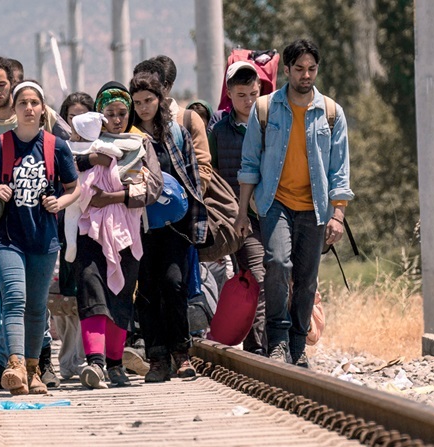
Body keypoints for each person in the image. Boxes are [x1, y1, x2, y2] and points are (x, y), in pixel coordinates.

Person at [236, 39, 353, 367]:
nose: (306, 75)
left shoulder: (331, 113)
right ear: (286, 70)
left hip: (315, 207)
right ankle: (278, 339)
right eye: (299, 69)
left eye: (311, 69)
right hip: (275, 203)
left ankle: (299, 345)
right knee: (278, 263)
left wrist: (338, 215)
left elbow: (339, 168)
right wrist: (243, 212)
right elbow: (249, 165)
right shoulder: (265, 108)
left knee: (306, 277)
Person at [0, 80, 80, 395]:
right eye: (23, 103)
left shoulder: (56, 146)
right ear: (14, 109)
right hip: (7, 239)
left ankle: (32, 369)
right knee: (14, 299)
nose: (29, 108)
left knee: (38, 307)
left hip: (44, 238)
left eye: (34, 103)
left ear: (43, 109)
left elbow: (73, 187)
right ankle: (14, 365)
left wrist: (62, 203)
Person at [71, 82, 163, 389]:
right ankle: (95, 364)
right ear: (99, 114)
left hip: (126, 233)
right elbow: (66, 168)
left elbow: (152, 187)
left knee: (121, 294)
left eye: (122, 113)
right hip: (89, 232)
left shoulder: (141, 144)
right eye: (109, 113)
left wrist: (112, 197)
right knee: (91, 290)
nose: (116, 119)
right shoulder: (85, 144)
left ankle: (114, 365)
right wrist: (89, 163)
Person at [130, 73, 207, 382]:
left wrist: (193, 222)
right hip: (141, 226)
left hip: (175, 226)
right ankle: (157, 358)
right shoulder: (127, 137)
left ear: (159, 100)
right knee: (147, 290)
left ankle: (181, 354)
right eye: (137, 102)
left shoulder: (176, 134)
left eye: (149, 100)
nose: (144, 107)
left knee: (174, 285)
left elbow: (193, 178)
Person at [211, 61, 267, 356]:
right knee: (256, 276)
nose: (248, 101)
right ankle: (259, 348)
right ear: (230, 95)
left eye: (253, 94)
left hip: (274, 213)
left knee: (280, 273)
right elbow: (212, 177)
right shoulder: (218, 133)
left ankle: (279, 343)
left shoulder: (274, 124)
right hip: (241, 219)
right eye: (242, 94)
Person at [51, 91, 95, 380]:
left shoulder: (100, 149)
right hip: (63, 229)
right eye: (71, 118)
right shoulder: (57, 149)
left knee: (85, 295)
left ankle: (81, 358)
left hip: (92, 230)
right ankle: (68, 359)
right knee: (64, 300)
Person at [144, 55, 213, 193]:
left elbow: (203, 168)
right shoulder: (137, 121)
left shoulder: (189, 119)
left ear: (168, 86)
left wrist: (182, 198)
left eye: (157, 85)